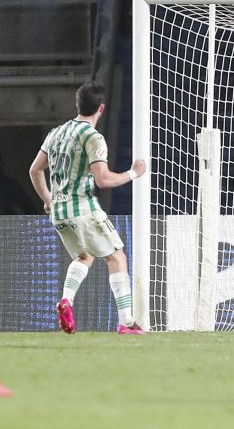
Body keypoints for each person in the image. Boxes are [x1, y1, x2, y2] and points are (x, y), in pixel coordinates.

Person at [27, 83, 146, 335]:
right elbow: (103, 179)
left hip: (59, 213)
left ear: (77, 104)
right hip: (82, 207)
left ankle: (66, 300)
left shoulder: (56, 132)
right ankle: (126, 322)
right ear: (101, 108)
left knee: (84, 256)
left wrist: (48, 199)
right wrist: (133, 173)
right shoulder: (93, 137)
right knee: (117, 257)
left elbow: (35, 169)